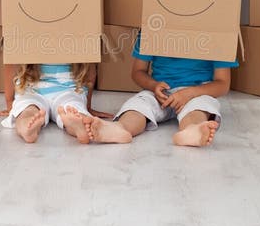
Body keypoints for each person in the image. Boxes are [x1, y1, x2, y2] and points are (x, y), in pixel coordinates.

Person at [82, 32, 238, 147]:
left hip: (196, 91)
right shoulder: (152, 27)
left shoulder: (217, 31)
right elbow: (137, 72)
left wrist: (190, 93)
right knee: (139, 104)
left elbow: (222, 84)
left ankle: (192, 130)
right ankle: (120, 128)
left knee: (199, 107)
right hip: (159, 91)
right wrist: (153, 86)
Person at [0, 63, 111, 144]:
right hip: (62, 88)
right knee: (71, 107)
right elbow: (90, 69)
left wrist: (10, 103)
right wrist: (87, 106)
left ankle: (78, 125)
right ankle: (77, 123)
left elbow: (10, 65)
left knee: (28, 108)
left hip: (35, 88)